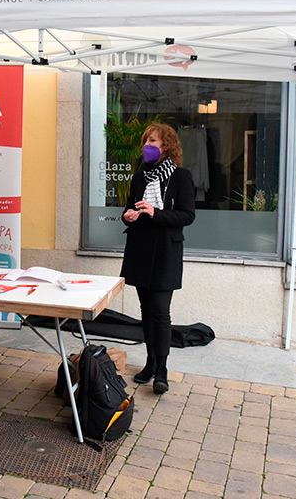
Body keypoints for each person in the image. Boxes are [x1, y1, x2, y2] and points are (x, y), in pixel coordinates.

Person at [120, 123, 195, 394]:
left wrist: (155, 213)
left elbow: (187, 215)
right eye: (146, 142)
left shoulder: (181, 177)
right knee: (146, 313)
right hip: (141, 249)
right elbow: (130, 206)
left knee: (161, 313)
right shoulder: (140, 176)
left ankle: (161, 370)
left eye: (153, 142)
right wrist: (128, 214)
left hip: (166, 252)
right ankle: (150, 363)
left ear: (167, 147)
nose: (147, 147)